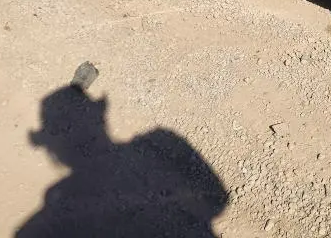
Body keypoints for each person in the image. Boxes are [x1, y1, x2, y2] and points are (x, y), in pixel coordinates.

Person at [14, 85, 228, 237]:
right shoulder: (159, 139)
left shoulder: (58, 197)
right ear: (101, 118)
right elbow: (217, 200)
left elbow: (218, 201)